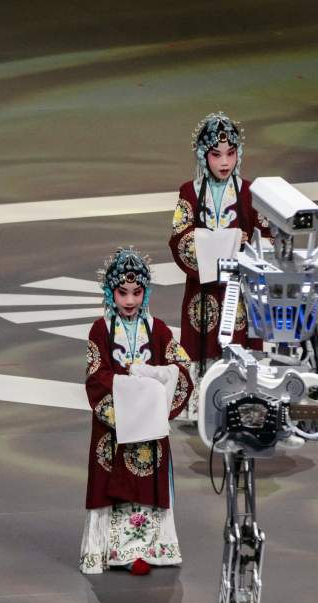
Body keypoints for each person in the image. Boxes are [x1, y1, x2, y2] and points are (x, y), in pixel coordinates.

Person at [80, 248, 192, 575]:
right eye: (122, 292)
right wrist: (129, 388)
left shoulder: (159, 331)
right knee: (115, 483)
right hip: (115, 427)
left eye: (137, 292)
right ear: (110, 292)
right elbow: (95, 376)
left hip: (149, 425)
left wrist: (157, 377)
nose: (129, 300)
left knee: (145, 483)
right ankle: (116, 551)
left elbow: (181, 369)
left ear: (146, 292)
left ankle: (150, 549)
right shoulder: (99, 330)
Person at [168, 111, 270, 420]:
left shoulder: (249, 193)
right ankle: (201, 408)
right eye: (216, 155)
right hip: (202, 289)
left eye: (230, 153)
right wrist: (223, 240)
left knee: (239, 345)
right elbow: (179, 238)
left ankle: (243, 403)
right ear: (203, 155)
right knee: (203, 343)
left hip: (239, 290)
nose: (224, 162)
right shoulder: (189, 192)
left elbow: (268, 237)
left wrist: (251, 242)